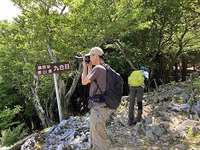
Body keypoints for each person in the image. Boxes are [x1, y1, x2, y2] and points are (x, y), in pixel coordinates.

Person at [81, 47, 108, 150]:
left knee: (99, 140)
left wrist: (84, 67)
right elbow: (92, 80)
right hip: (100, 108)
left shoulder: (98, 69)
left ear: (96, 56)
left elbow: (84, 81)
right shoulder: (103, 68)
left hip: (98, 109)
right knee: (96, 136)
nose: (89, 58)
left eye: (90, 56)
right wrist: (89, 66)